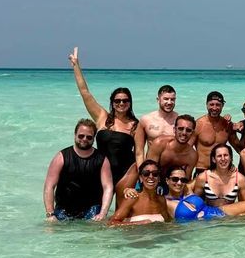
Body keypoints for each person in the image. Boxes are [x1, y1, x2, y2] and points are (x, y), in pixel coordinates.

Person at [68, 47, 138, 185]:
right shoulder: (102, 117)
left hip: (126, 174)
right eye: (117, 101)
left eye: (125, 100)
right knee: (97, 206)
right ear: (112, 103)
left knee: (123, 207)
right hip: (100, 171)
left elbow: (139, 153)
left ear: (130, 103)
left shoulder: (135, 125)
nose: (121, 103)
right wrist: (76, 66)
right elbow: (85, 92)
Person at [43, 119, 114, 221]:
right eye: (81, 136)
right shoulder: (61, 157)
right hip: (64, 208)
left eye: (89, 137)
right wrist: (50, 214)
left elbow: (108, 187)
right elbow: (49, 186)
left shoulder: (102, 159)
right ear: (75, 135)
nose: (84, 139)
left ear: (94, 138)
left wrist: (103, 213)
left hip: (92, 208)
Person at [108, 160, 172, 225]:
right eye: (146, 174)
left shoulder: (161, 200)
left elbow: (168, 222)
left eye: (155, 174)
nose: (151, 177)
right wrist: (139, 223)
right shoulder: (132, 198)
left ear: (159, 178)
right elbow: (112, 222)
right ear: (141, 178)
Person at [134, 84, 178, 165]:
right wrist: (141, 172)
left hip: (172, 168)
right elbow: (139, 152)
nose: (169, 102)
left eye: (172, 99)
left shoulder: (179, 121)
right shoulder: (146, 120)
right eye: (166, 99)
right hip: (152, 167)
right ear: (158, 100)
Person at [194, 91, 236, 174]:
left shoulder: (226, 124)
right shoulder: (198, 124)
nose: (214, 108)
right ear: (206, 104)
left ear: (222, 106)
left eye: (218, 105)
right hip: (202, 170)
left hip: (222, 172)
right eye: (211, 104)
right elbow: (186, 149)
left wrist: (244, 125)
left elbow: (238, 148)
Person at [146, 114, 199, 180]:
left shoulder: (192, 156)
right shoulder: (160, 143)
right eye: (180, 129)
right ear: (174, 130)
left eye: (188, 130)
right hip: (154, 181)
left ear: (192, 133)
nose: (184, 133)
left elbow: (186, 180)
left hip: (175, 185)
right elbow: (148, 170)